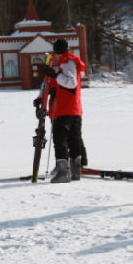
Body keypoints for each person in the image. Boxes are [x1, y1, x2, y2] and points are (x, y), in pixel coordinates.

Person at [37, 39, 87, 183]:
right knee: (72, 139)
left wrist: (55, 75)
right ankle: (73, 171)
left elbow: (71, 83)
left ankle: (64, 171)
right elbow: (47, 83)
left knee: (61, 139)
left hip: (66, 107)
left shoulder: (67, 61)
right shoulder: (63, 61)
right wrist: (40, 98)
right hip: (68, 107)